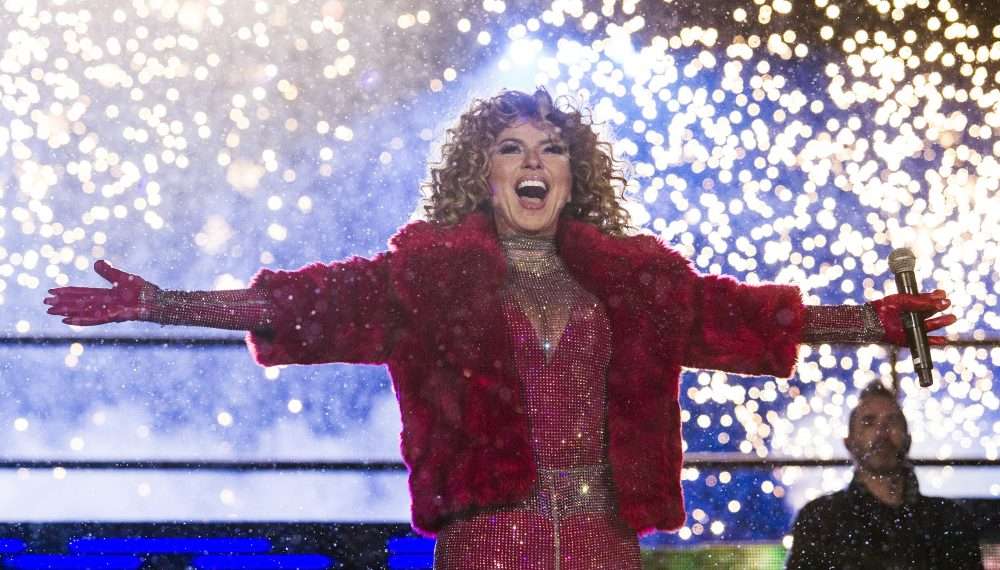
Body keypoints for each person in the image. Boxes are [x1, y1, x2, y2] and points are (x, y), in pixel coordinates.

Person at [45, 89, 956, 569]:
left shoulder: (634, 281)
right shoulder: (429, 278)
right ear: (482, 175)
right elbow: (305, 304)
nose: (533, 161)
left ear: (573, 171)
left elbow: (740, 316)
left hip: (603, 543)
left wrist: (870, 319)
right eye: (511, 148)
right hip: (488, 544)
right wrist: (168, 304)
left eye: (550, 147)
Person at [786, 381, 982, 569]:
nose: (881, 432)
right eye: (869, 422)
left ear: (908, 439)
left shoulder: (949, 519)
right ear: (849, 442)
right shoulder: (820, 519)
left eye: (892, 421)